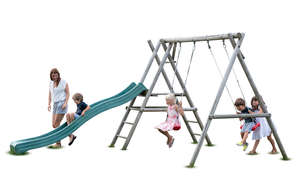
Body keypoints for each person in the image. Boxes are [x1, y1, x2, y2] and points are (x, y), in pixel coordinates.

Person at [48, 68, 70, 148]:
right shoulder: (51, 83)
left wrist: (65, 103)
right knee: (54, 125)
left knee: (57, 124)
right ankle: (71, 135)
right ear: (51, 75)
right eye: (52, 73)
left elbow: (68, 93)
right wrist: (49, 104)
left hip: (62, 103)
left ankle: (58, 143)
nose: (54, 74)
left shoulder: (63, 82)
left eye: (55, 73)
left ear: (58, 74)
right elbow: (50, 94)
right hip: (55, 104)